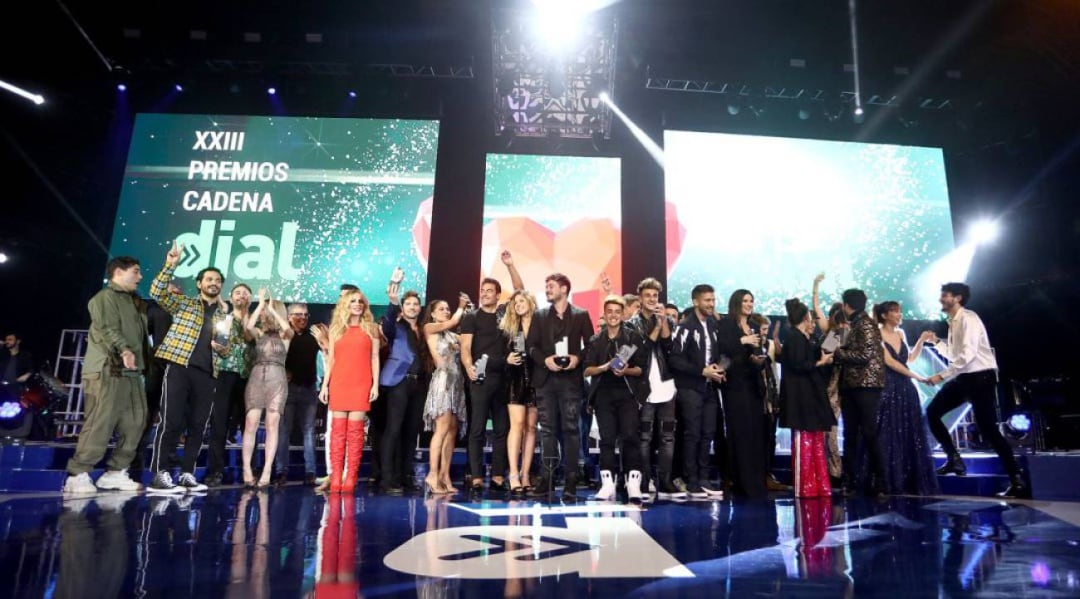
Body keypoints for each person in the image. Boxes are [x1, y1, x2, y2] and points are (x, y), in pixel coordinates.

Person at [924, 282, 1027, 498]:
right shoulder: (953, 322)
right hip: (965, 377)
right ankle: (954, 459)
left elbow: (968, 355)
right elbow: (955, 355)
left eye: (945, 295)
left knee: (988, 428)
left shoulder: (969, 318)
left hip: (980, 378)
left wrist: (941, 376)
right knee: (933, 413)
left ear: (958, 298)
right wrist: (936, 343)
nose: (941, 298)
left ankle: (1017, 480)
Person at [147, 242, 230, 493]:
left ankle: (187, 473)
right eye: (209, 279)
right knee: (170, 421)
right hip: (179, 368)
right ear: (199, 283)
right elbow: (157, 292)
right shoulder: (184, 304)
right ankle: (159, 474)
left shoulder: (225, 316)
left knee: (197, 426)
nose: (213, 283)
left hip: (208, 375)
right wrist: (170, 264)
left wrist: (224, 350)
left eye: (217, 280)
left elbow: (227, 349)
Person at [62, 256, 148, 495]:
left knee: (135, 422)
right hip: (107, 369)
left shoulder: (134, 302)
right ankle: (78, 474)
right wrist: (124, 349)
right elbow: (107, 328)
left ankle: (116, 473)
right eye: (136, 272)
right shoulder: (104, 298)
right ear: (118, 272)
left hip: (131, 372)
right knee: (100, 421)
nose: (140, 277)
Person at [526, 273, 594, 502]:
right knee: (547, 431)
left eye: (551, 286)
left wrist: (577, 358)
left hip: (571, 381)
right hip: (545, 380)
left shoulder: (581, 315)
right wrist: (544, 360)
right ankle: (547, 479)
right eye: (546, 286)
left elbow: (591, 345)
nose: (547, 290)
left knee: (571, 430)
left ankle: (571, 481)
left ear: (564, 288)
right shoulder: (539, 315)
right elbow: (531, 347)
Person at [460, 251, 524, 492]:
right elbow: (465, 347)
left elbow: (520, 290)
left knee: (501, 429)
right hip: (480, 378)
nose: (485, 294)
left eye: (489, 291)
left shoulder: (503, 313)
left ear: (498, 295)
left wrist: (510, 265)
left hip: (504, 378)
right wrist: (468, 368)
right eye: (483, 290)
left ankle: (498, 475)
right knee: (476, 429)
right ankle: (476, 476)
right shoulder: (471, 317)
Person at [583, 296, 648, 501]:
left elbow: (641, 369)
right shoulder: (595, 340)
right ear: (604, 313)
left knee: (630, 436)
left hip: (628, 394)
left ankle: (633, 484)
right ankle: (607, 484)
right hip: (603, 396)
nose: (613, 315)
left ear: (622, 314)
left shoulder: (632, 337)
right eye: (609, 311)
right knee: (607, 439)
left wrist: (626, 370)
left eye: (617, 311)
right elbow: (586, 370)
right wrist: (604, 367)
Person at [626, 278, 684, 500]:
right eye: (648, 296)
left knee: (668, 436)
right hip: (644, 388)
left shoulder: (668, 320)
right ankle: (644, 479)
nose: (652, 300)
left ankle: (666, 480)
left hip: (666, 385)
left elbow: (670, 348)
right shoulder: (632, 323)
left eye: (655, 296)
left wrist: (664, 323)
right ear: (640, 298)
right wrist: (657, 327)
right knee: (645, 437)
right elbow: (640, 349)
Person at [873, 301, 938, 495]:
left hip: (905, 388)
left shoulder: (900, 334)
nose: (899, 315)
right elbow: (890, 362)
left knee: (909, 431)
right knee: (888, 431)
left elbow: (908, 359)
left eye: (899, 311)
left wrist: (921, 340)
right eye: (895, 311)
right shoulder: (877, 334)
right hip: (888, 387)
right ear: (884, 315)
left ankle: (908, 479)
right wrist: (919, 377)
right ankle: (887, 480)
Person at [319, 289, 380, 493]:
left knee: (355, 434)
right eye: (353, 301)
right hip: (339, 382)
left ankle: (350, 477)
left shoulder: (371, 329)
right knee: (337, 434)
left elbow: (375, 358)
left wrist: (375, 385)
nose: (357, 304)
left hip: (361, 383)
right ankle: (335, 478)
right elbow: (332, 360)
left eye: (360, 301)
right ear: (345, 304)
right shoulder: (336, 329)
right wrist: (325, 385)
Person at [669, 284, 726, 499]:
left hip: (710, 387)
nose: (711, 304)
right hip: (690, 387)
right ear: (695, 302)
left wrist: (720, 369)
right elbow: (675, 359)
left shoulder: (713, 325)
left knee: (708, 432)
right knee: (692, 434)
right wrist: (701, 371)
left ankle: (704, 478)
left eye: (713, 300)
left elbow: (719, 353)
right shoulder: (684, 327)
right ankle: (691, 479)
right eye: (707, 300)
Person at [832, 288, 888, 498]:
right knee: (850, 435)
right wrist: (837, 333)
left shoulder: (865, 324)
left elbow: (864, 355)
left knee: (870, 433)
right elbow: (830, 347)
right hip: (851, 386)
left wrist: (838, 352)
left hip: (866, 386)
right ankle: (850, 481)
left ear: (847, 305)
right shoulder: (850, 325)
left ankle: (881, 482)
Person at [778, 298, 835, 498]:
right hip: (800, 400)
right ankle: (805, 486)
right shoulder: (794, 338)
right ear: (804, 318)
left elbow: (824, 350)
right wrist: (820, 363)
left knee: (816, 441)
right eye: (810, 319)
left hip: (811, 398)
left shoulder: (804, 339)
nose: (813, 323)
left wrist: (838, 333)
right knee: (804, 442)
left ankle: (820, 484)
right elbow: (799, 364)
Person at [715, 289, 770, 499]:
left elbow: (756, 355)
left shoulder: (754, 326)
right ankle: (739, 480)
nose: (749, 304)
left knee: (755, 433)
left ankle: (756, 481)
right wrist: (742, 342)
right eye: (745, 300)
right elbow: (724, 349)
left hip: (753, 385)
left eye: (751, 300)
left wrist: (758, 360)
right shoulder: (727, 324)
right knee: (739, 433)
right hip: (735, 386)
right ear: (737, 303)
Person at [378, 271, 429, 495]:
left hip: (418, 385)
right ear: (403, 307)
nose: (412, 307)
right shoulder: (396, 325)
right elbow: (387, 324)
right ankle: (387, 479)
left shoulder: (424, 329)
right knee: (393, 430)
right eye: (408, 304)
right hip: (398, 382)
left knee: (411, 432)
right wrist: (393, 299)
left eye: (415, 304)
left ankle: (405, 476)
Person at [240, 290, 293, 488]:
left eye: (265, 311)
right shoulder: (259, 333)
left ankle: (267, 470)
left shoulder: (286, 335)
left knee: (272, 425)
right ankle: (246, 469)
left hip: (277, 379)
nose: (263, 314)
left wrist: (272, 308)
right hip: (256, 377)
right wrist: (260, 304)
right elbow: (249, 326)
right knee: (250, 423)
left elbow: (287, 327)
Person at [421, 295, 470, 494]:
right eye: (441, 309)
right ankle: (432, 474)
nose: (446, 311)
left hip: (457, 382)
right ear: (432, 313)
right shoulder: (430, 328)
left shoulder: (453, 335)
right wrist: (460, 307)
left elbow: (468, 339)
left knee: (452, 431)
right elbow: (454, 321)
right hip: (442, 382)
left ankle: (445, 475)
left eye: (448, 308)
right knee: (441, 429)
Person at [205, 283, 252, 487]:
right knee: (219, 424)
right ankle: (215, 470)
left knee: (248, 424)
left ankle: (248, 469)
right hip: (225, 374)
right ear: (231, 298)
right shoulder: (224, 318)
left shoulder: (256, 322)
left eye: (245, 293)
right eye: (237, 293)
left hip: (249, 377)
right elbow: (219, 345)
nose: (241, 296)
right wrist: (215, 345)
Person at [500, 290, 540, 496]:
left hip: (537, 380)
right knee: (516, 426)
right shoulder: (509, 328)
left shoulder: (541, 326)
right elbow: (498, 352)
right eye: (515, 302)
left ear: (531, 302)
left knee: (531, 427)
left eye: (522, 301)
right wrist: (505, 359)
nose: (518, 304)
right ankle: (513, 474)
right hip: (515, 380)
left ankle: (525, 474)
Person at [276, 302, 320, 486]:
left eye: (305, 315)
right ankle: (280, 472)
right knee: (283, 431)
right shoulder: (283, 335)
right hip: (288, 390)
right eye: (298, 314)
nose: (302, 318)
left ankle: (310, 472)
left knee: (309, 431)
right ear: (288, 317)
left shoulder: (313, 337)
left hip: (309, 389)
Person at [812, 273, 846, 483]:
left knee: (831, 429)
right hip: (828, 384)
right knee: (827, 429)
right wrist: (816, 285)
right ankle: (831, 471)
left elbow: (830, 354)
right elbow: (816, 307)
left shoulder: (841, 333)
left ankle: (836, 471)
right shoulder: (833, 332)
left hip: (838, 385)